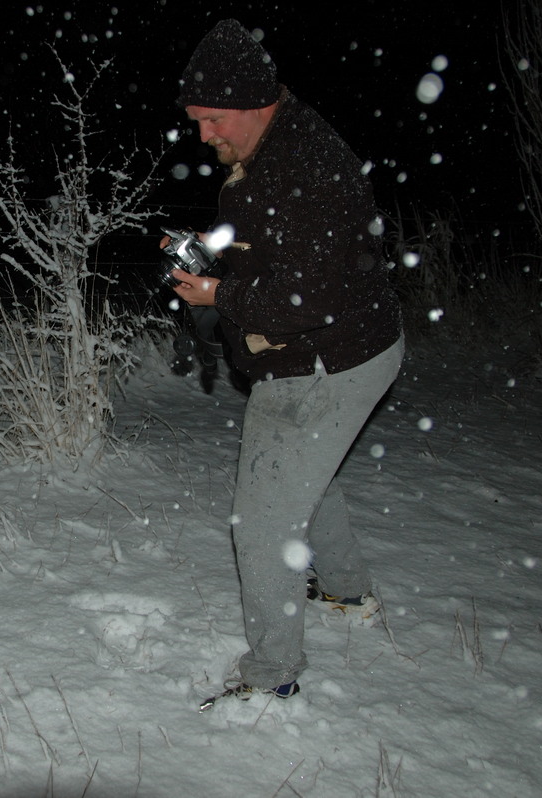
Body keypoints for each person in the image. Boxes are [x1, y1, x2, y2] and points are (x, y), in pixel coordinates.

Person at [167, 19, 404, 706]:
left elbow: (314, 293)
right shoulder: (273, 146)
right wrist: (212, 257)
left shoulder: (307, 164)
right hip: (340, 350)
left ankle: (272, 680)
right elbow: (276, 245)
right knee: (304, 475)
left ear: (248, 100)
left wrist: (219, 294)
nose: (204, 136)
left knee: (265, 516)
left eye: (211, 121)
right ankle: (347, 593)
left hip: (327, 359)